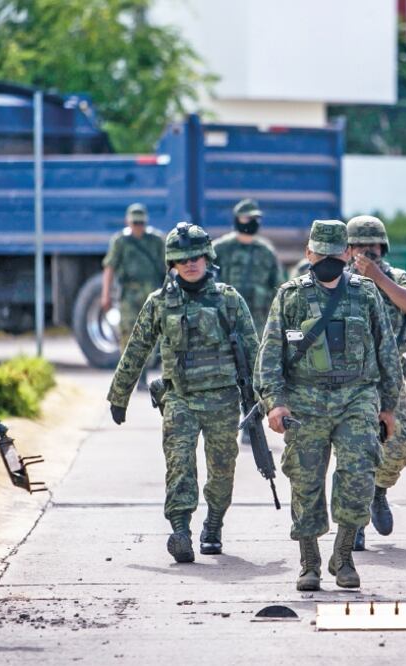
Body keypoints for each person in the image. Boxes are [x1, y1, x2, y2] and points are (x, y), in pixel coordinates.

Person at [256, 219, 403, 591]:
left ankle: (344, 556)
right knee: (305, 480)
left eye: (336, 254)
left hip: (356, 397)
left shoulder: (366, 294)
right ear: (308, 254)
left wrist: (389, 408)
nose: (328, 261)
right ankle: (309, 562)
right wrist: (275, 404)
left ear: (347, 254)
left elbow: (387, 352)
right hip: (305, 399)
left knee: (358, 474)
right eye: (320, 254)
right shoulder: (290, 296)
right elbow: (270, 354)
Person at [107, 222, 258, 563]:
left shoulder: (229, 300)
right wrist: (119, 395)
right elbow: (136, 350)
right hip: (180, 398)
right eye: (181, 259)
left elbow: (255, 351)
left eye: (196, 257)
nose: (190, 264)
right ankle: (180, 531)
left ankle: (214, 525)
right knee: (179, 465)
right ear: (171, 264)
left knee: (222, 469)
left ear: (208, 258)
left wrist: (266, 400)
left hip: (222, 401)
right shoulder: (159, 303)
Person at [345, 215, 406, 551]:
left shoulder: (396, 277)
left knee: (401, 443)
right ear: (348, 250)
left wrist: (378, 278)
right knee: (356, 451)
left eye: (373, 246)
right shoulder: (338, 279)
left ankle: (379, 490)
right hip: (348, 381)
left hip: (389, 380)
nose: (367, 251)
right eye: (360, 246)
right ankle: (356, 521)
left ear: (383, 247)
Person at [101, 203, 166, 359]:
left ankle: (143, 374)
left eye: (141, 223)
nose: (138, 226)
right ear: (127, 222)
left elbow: (168, 267)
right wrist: (106, 295)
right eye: (135, 223)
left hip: (151, 293)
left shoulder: (156, 240)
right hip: (129, 295)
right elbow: (109, 268)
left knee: (149, 335)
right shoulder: (121, 242)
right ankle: (130, 372)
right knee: (128, 334)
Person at [213, 198, 284, 334]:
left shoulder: (266, 251)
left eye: (256, 218)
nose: (252, 222)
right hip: (225, 320)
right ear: (237, 219)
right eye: (247, 218)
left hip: (258, 323)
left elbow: (277, 288)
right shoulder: (220, 248)